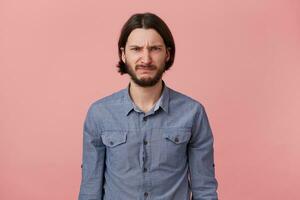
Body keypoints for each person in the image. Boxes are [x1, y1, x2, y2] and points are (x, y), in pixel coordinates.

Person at [78, 12, 218, 200]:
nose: (146, 59)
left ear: (167, 54)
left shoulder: (193, 113)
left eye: (155, 49)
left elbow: (205, 190)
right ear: (123, 54)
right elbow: (90, 190)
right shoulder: (99, 114)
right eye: (136, 49)